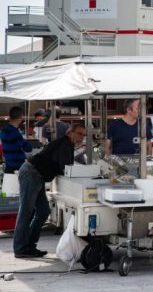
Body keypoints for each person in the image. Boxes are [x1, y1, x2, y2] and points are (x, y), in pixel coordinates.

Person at [14, 123, 86, 258]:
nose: (82, 137)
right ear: (70, 132)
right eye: (79, 133)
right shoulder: (65, 144)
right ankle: (20, 248)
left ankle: (29, 245)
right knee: (26, 211)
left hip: (37, 175)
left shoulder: (68, 145)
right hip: (32, 173)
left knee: (43, 211)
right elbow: (66, 168)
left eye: (84, 135)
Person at [2, 107, 32, 173]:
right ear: (20, 117)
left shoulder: (4, 130)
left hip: (8, 164)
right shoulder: (14, 132)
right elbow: (28, 148)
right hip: (16, 167)